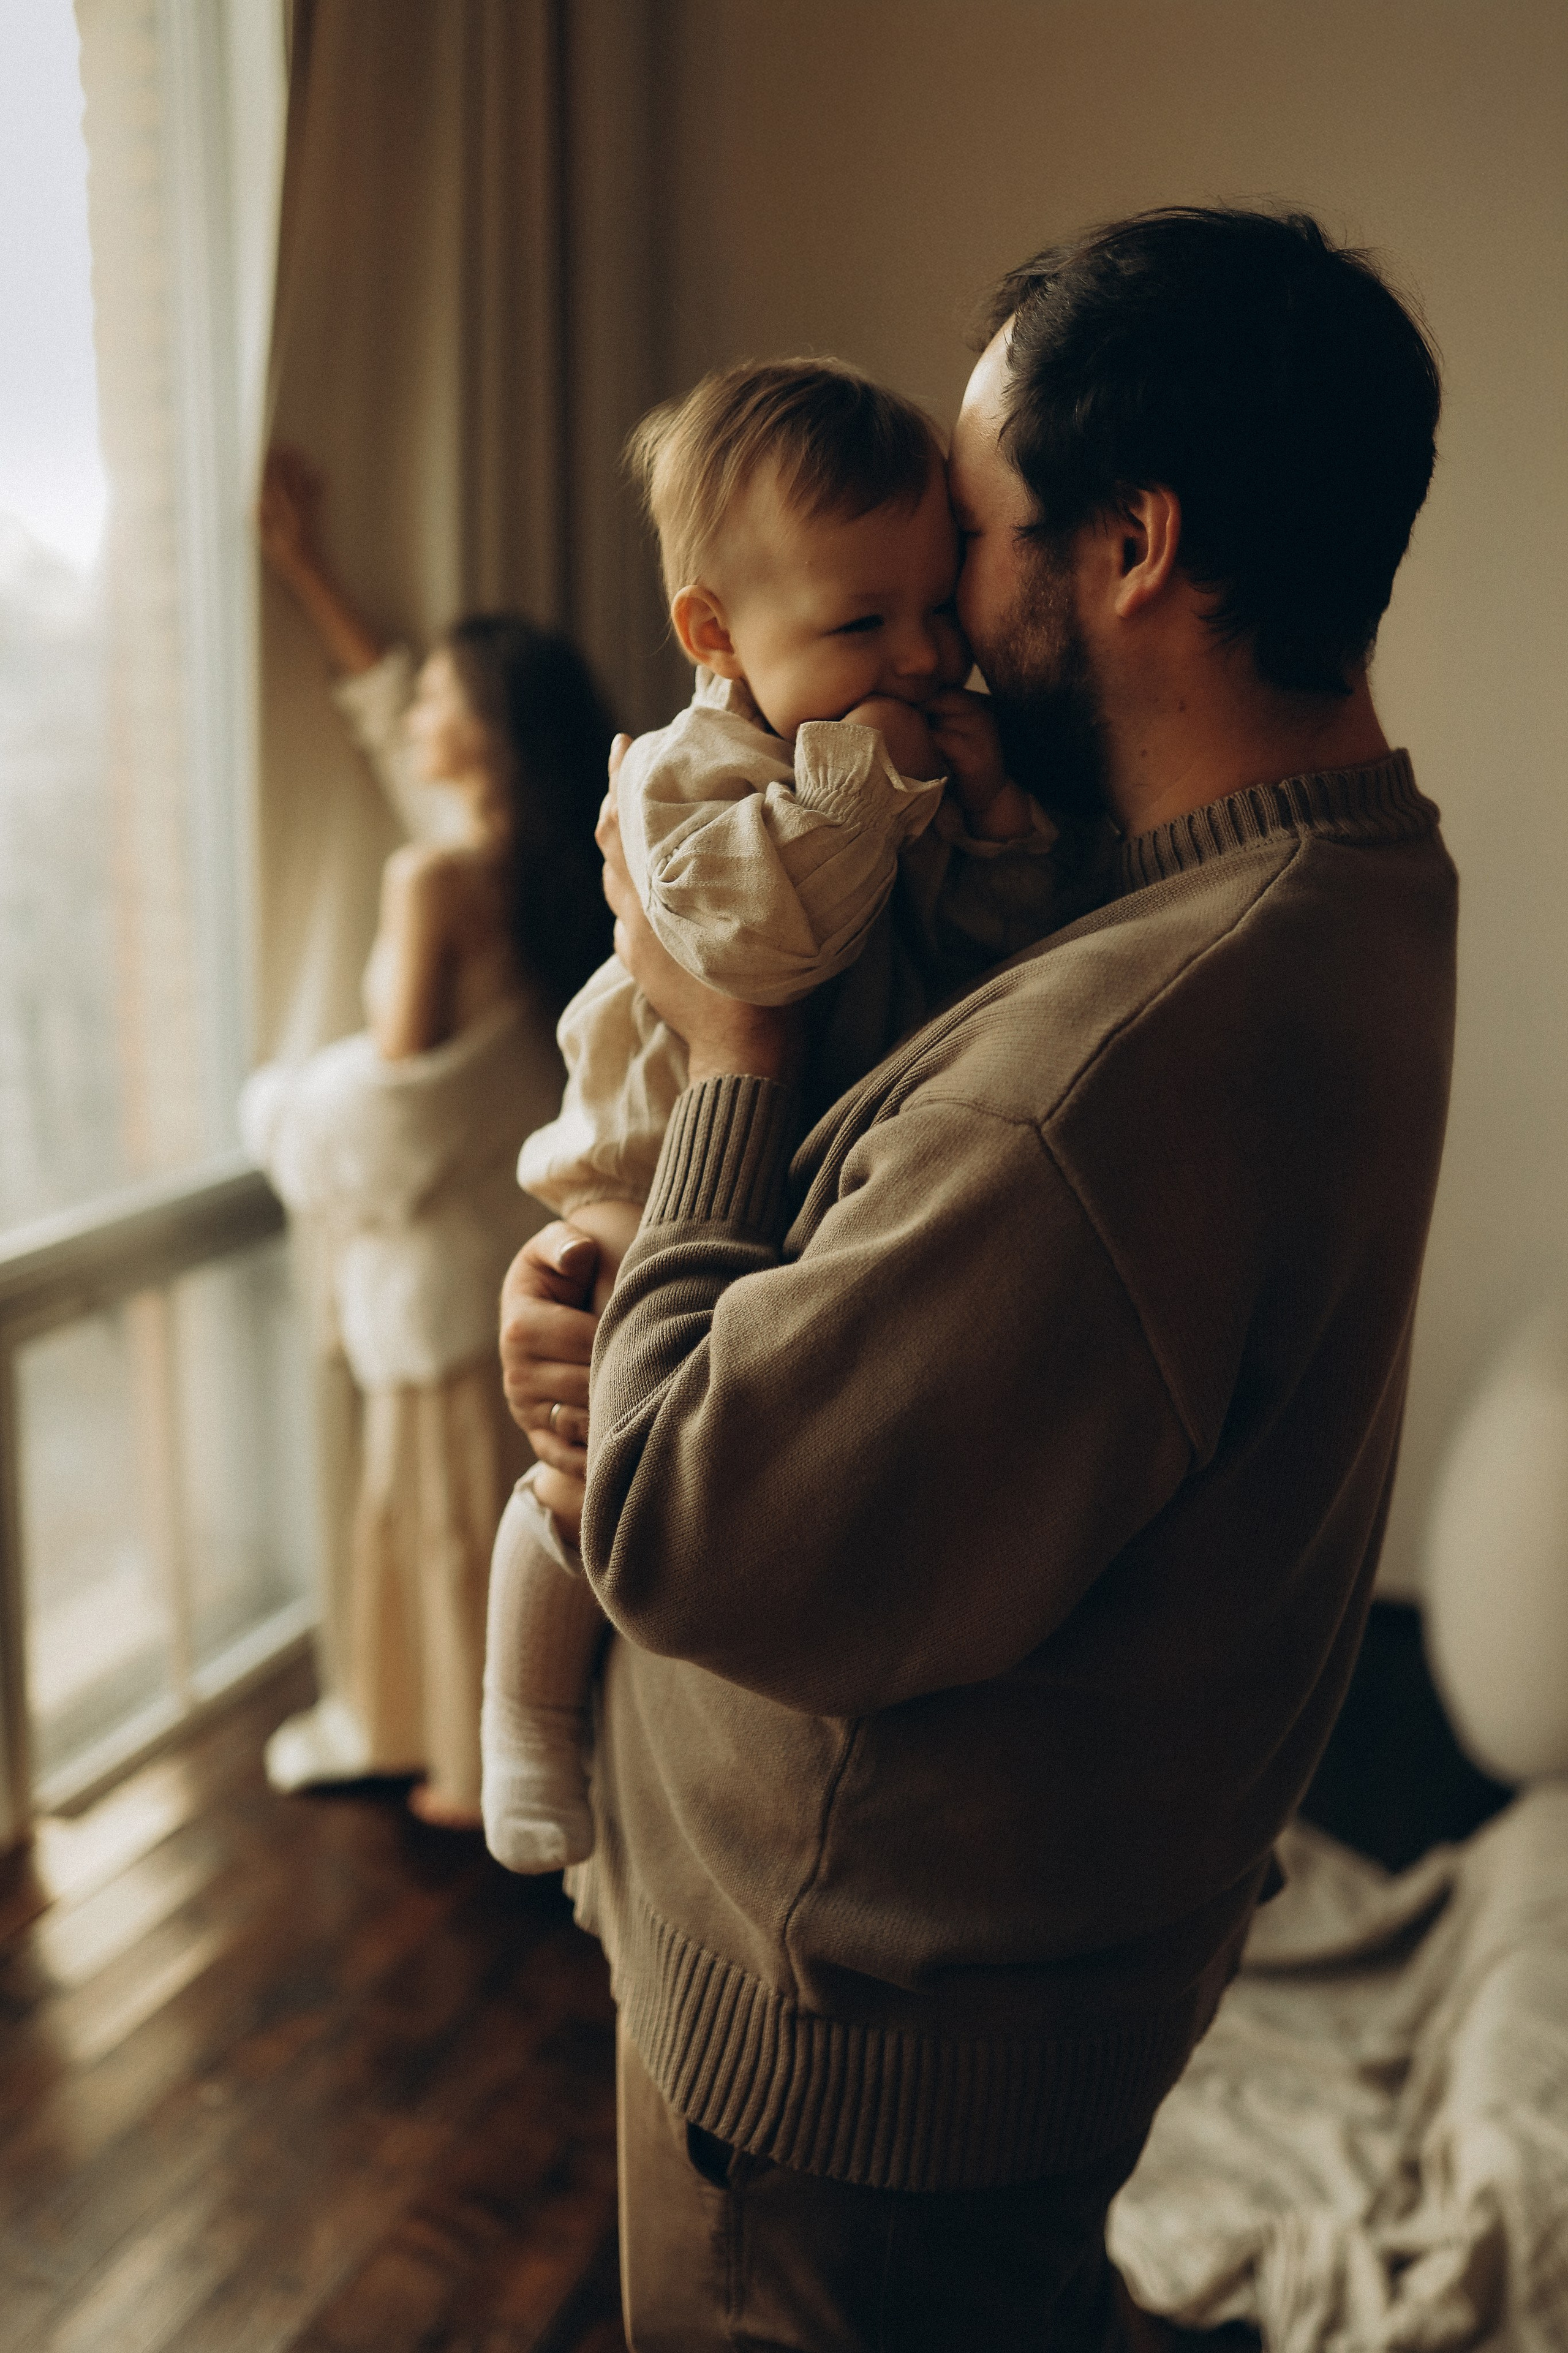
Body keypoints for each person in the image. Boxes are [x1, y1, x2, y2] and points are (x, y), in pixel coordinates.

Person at [501, 208, 1455, 2349]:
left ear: (1133, 544)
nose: (938, 617)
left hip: (841, 2104)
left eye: (981, 535)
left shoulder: (1117, 1067)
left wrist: (730, 1060)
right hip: (995, 2035)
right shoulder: (1346, 887)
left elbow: (684, 1515)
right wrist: (624, 1268)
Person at [482, 359, 1064, 1873]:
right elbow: (750, 953)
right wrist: (879, 778)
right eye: (860, 624)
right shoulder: (690, 775)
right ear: (712, 633)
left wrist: (996, 829)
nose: (918, 656)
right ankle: (522, 1713)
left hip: (780, 1164)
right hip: (643, 1156)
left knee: (732, 1441)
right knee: (596, 1451)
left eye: (932, 605)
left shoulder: (876, 750)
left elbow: (977, 964)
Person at [246, 450, 612, 1825]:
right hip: (520, 1243)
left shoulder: (432, 878)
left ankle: (469, 1769)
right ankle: (496, 1745)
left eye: (439, 699)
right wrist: (307, 573)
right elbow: (380, 696)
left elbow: (386, 1109)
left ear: (487, 730)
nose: (411, 715)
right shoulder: (557, 865)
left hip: (439, 1263)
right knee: (498, 1513)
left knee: (448, 1523)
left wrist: (277, 1106)